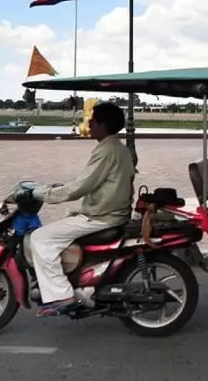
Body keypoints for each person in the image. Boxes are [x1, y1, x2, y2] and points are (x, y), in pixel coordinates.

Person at [29, 101, 135, 317]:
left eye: (92, 121)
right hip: (111, 212)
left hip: (102, 216)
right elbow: (89, 180)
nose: (89, 125)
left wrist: (44, 194)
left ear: (103, 125)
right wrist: (60, 188)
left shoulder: (107, 150)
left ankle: (61, 295)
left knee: (41, 238)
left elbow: (81, 186)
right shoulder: (117, 148)